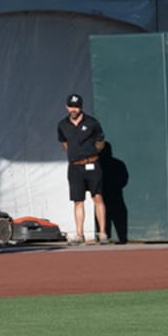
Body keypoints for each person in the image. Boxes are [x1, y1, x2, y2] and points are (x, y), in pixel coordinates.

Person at [57, 94, 111, 244]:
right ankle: (80, 234)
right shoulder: (62, 125)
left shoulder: (92, 123)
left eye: (76, 106)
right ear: (66, 107)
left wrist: (91, 154)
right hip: (75, 167)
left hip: (92, 165)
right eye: (71, 106)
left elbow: (100, 142)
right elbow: (64, 144)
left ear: (81, 107)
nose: (74, 109)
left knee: (98, 197)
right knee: (78, 201)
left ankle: (102, 233)